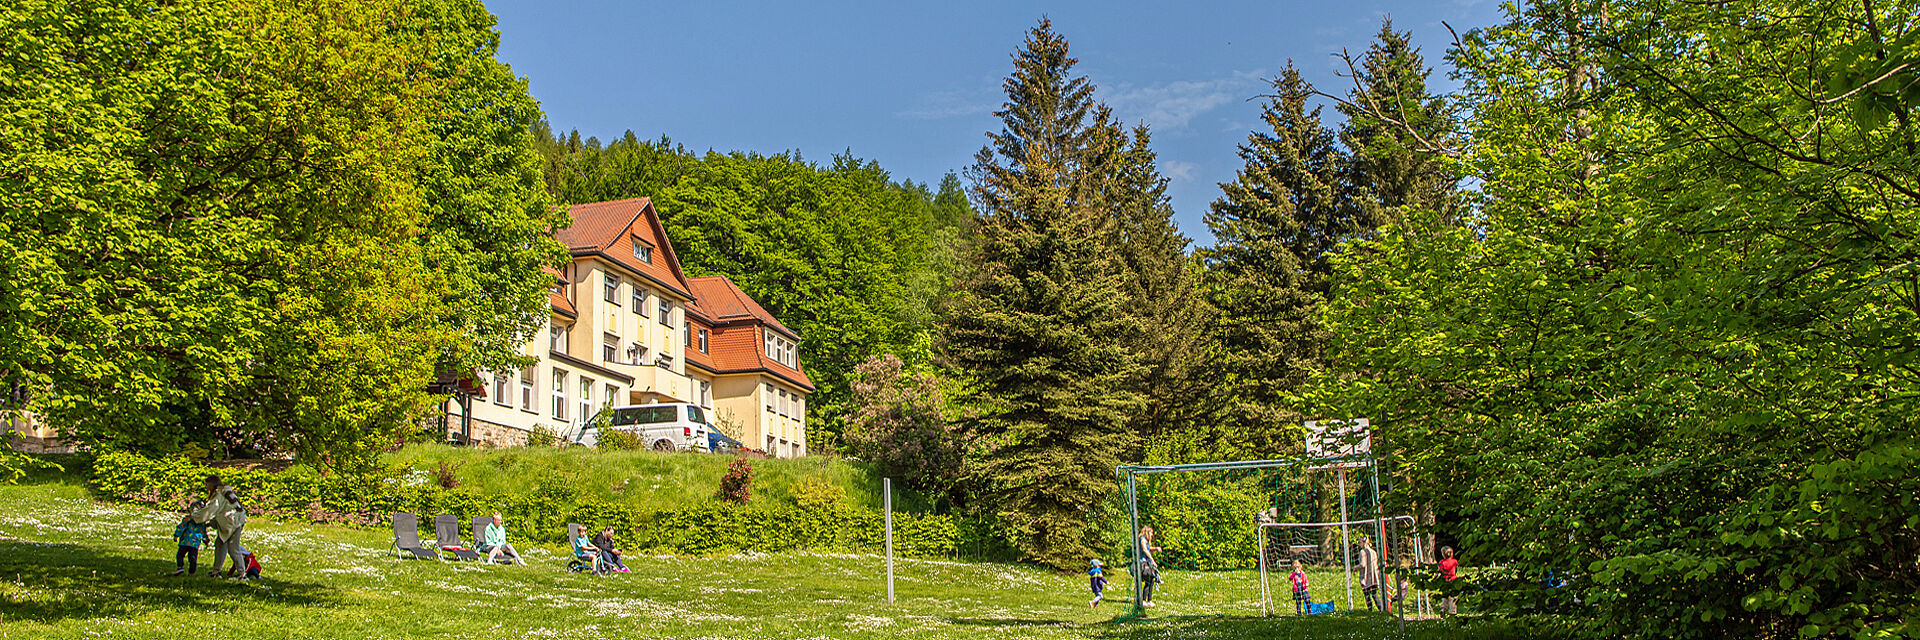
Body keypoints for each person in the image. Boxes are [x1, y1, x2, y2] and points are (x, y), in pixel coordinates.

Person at [191, 474, 247, 578]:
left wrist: (193, 517)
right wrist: (210, 523)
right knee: (220, 544)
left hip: (233, 522)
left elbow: (210, 510)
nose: (206, 487)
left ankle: (242, 574)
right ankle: (216, 572)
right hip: (235, 520)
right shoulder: (225, 491)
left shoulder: (219, 494)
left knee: (233, 548)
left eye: (207, 485)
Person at [170, 502, 209, 576]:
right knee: (192, 558)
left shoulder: (187, 520)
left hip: (185, 542)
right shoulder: (201, 522)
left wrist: (176, 535)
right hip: (194, 543)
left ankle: (180, 567)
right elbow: (204, 532)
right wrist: (206, 540)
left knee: (181, 555)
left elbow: (181, 527)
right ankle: (191, 572)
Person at [1136, 526, 1163, 607]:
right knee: (1148, 580)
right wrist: (1152, 560)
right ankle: (1143, 600)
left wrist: (1155, 548)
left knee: (1151, 580)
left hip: (1147, 562)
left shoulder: (1146, 540)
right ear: (1147, 532)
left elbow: (1148, 549)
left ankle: (1149, 600)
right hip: (1142, 563)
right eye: (1151, 533)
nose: (1152, 535)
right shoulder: (1142, 539)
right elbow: (1144, 550)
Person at [1358, 537, 1382, 611]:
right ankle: (1381, 609)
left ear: (1364, 542)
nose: (1359, 544)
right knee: (1374, 594)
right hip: (1374, 577)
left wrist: (1355, 568)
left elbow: (1363, 564)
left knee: (1367, 595)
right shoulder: (1374, 552)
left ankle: (1370, 610)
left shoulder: (1362, 552)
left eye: (1360, 542)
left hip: (1366, 577)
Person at [1438, 546, 1460, 615]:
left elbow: (1439, 571)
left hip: (1445, 581)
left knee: (1445, 596)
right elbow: (1456, 570)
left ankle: (1443, 608)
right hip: (1453, 580)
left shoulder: (1441, 562)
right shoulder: (1454, 561)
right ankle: (1452, 611)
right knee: (1453, 597)